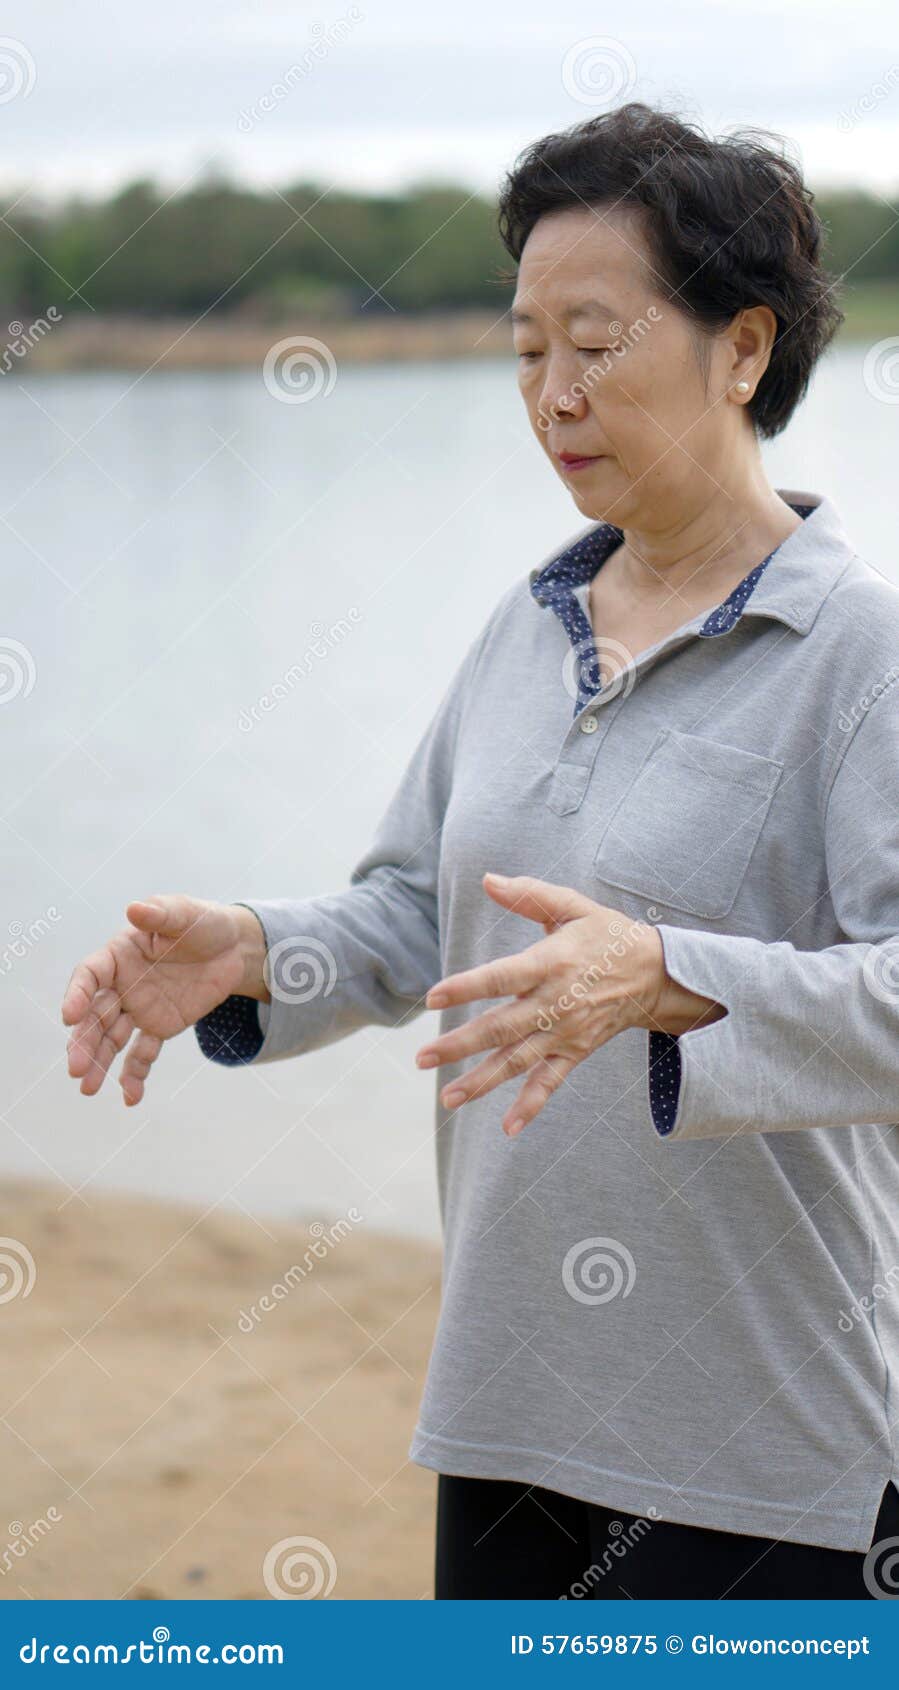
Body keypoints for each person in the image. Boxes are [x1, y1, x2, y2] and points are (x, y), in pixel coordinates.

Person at [62, 103, 899, 1599]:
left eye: (595, 340)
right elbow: (412, 912)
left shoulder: (862, 655)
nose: (553, 394)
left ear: (745, 349)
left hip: (775, 1459)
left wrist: (665, 977)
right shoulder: (527, 628)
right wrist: (254, 950)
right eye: (526, 351)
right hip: (509, 1411)